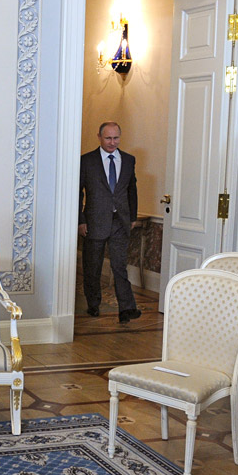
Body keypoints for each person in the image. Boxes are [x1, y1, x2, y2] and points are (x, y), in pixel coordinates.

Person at [78, 121, 142, 323]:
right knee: (93, 266)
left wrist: (132, 216)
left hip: (120, 222)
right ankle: (93, 304)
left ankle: (127, 308)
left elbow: (132, 190)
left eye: (116, 138)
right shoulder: (87, 161)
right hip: (94, 221)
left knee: (119, 266)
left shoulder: (129, 160)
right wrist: (80, 220)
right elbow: (77, 193)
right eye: (108, 138)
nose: (112, 142)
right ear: (99, 137)